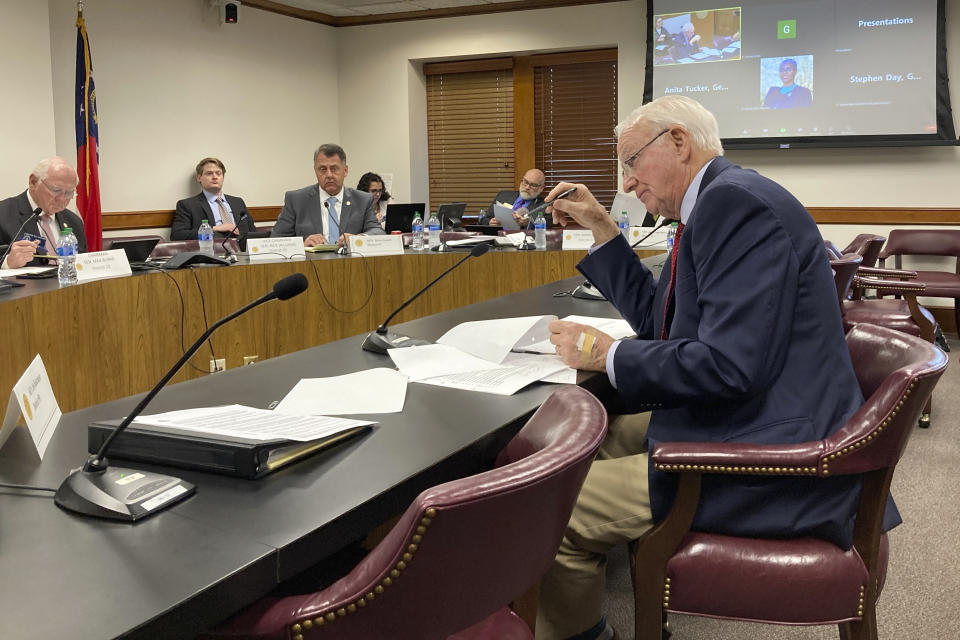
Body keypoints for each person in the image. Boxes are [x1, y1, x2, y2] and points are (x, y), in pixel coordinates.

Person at [534, 95, 896, 640]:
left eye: (631, 162)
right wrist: (603, 227)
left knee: (552, 507)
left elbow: (730, 367)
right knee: (594, 436)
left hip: (775, 457)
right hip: (763, 416)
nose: (628, 182)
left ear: (678, 141)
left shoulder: (736, 206)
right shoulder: (714, 202)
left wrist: (606, 354)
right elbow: (665, 325)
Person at [271, 144, 383, 247]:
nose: (329, 175)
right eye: (323, 169)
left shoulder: (362, 200)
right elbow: (276, 240)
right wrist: (302, 244)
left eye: (334, 169)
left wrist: (358, 239)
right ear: (315, 171)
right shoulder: (296, 200)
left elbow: (377, 232)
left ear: (345, 171)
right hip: (310, 265)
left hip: (352, 265)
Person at [0, 157, 87, 269]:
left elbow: (83, 265)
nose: (62, 199)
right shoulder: (3, 214)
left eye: (69, 193)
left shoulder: (74, 222)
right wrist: (8, 262)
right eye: (56, 190)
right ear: (33, 182)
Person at [170, 157, 257, 240]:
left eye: (218, 173)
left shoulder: (238, 202)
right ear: (199, 178)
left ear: (223, 177)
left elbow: (253, 232)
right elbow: (177, 235)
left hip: (243, 251)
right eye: (209, 173)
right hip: (213, 251)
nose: (215, 177)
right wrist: (214, 229)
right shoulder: (187, 205)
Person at [479, 168, 549, 227]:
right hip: (498, 238)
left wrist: (528, 224)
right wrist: (490, 222)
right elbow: (483, 219)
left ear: (541, 188)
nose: (527, 187)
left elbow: (547, 227)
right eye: (525, 182)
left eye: (533, 185)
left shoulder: (545, 206)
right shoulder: (503, 196)